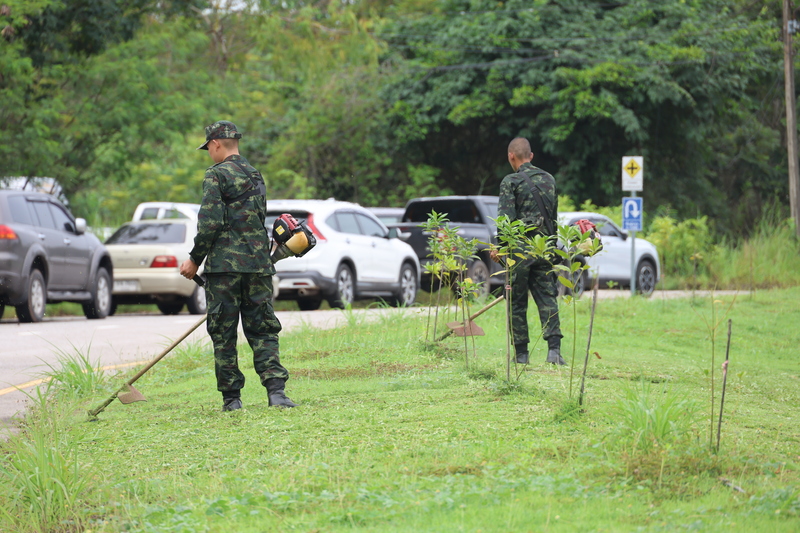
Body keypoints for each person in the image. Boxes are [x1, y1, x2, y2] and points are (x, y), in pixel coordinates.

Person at [179, 120, 297, 410]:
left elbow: (210, 222)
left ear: (216, 144)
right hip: (258, 266)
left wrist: (194, 259)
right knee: (263, 329)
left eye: (208, 148)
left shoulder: (215, 176)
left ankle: (232, 400)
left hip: (224, 269)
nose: (209, 153)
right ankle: (277, 393)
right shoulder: (256, 175)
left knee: (224, 333)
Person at [490, 137, 565, 366]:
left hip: (519, 252)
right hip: (543, 248)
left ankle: (521, 355)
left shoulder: (510, 181)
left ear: (511, 156)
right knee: (547, 297)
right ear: (531, 156)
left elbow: (505, 222)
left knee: (516, 300)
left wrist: (501, 250)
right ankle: (554, 352)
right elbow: (552, 218)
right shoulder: (549, 180)